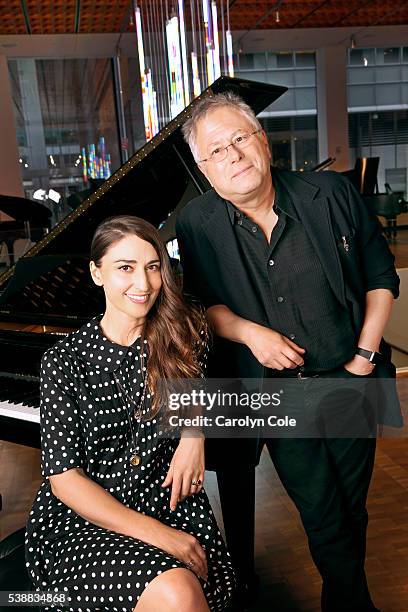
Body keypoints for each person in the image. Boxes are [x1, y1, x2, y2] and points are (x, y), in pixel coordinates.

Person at [176, 92, 401, 611]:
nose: (231, 154)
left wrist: (364, 359)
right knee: (320, 506)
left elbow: (380, 277)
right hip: (276, 396)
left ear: (263, 141)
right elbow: (202, 305)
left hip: (352, 376)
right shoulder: (196, 224)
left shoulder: (332, 193)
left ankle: (347, 601)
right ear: (203, 169)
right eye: (215, 150)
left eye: (240, 137)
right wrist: (252, 334)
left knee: (353, 506)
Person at [25, 215, 235, 612]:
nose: (144, 284)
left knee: (192, 590)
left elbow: (197, 393)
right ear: (96, 273)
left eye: (153, 266)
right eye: (125, 267)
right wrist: (161, 536)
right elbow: (65, 481)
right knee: (177, 592)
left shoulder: (182, 333)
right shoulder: (63, 362)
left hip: (166, 502)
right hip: (85, 520)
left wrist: (194, 435)